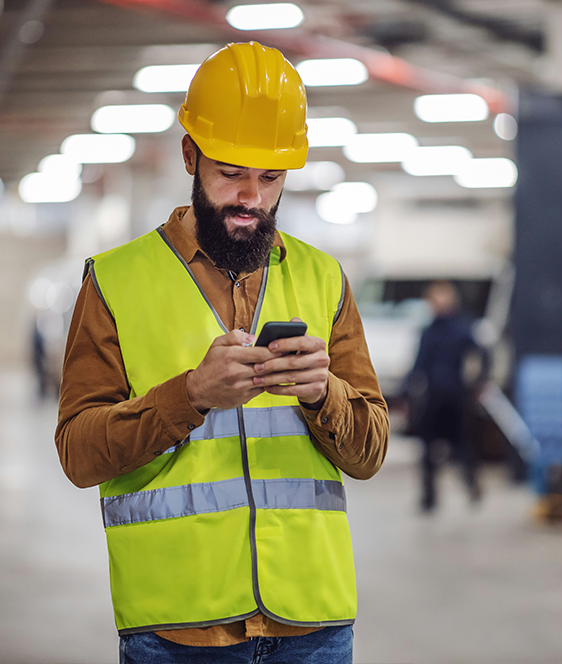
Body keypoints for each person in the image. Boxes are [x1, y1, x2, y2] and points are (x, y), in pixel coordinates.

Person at [55, 42, 388, 664]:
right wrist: (189, 397)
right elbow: (78, 451)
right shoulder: (114, 282)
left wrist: (323, 394)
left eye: (270, 178)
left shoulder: (324, 279)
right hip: (178, 630)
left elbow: (370, 452)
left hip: (311, 627)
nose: (251, 199)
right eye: (232, 173)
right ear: (190, 154)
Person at [408, 281, 485, 512]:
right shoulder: (429, 331)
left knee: (461, 447)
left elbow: (482, 354)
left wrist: (477, 381)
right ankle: (429, 498)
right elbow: (419, 364)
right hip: (433, 397)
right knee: (427, 450)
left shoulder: (462, 328)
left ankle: (473, 487)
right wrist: (406, 390)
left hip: (456, 397)